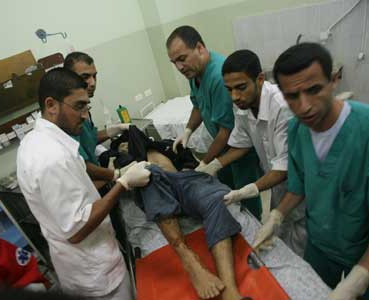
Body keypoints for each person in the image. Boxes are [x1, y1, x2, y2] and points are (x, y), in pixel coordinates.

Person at [252, 42, 369, 299]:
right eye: (292, 96)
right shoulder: (297, 130)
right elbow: (299, 185)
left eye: (314, 90)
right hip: (321, 244)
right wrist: (276, 217)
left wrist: (355, 283)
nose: (304, 106)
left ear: (334, 80)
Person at [16, 68, 151, 299]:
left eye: (86, 106)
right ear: (51, 105)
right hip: (96, 275)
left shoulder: (40, 141)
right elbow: (77, 230)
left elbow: (78, 175)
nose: (85, 115)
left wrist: (114, 175)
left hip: (80, 264)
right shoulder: (51, 158)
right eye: (78, 106)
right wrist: (123, 183)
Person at [198, 49, 306, 256]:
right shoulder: (242, 105)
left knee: (302, 242)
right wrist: (213, 165)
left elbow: (285, 166)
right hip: (277, 184)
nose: (234, 96)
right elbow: (242, 142)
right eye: (228, 89)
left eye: (240, 87)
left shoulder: (282, 108)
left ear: (260, 79)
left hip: (301, 188)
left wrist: (246, 190)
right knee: (281, 236)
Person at [167, 26, 262, 218]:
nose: (179, 67)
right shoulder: (194, 73)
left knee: (245, 199)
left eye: (182, 58)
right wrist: (188, 130)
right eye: (174, 62)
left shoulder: (219, 76)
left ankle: (253, 229)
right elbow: (199, 105)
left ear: (200, 48)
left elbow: (226, 130)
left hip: (238, 149)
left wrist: (204, 163)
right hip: (221, 148)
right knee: (226, 193)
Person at [135, 148, 243, 300]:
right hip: (154, 184)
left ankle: (230, 291)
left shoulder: (168, 146)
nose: (124, 147)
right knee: (149, 172)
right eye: (121, 146)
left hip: (187, 178)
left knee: (214, 201)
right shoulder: (124, 158)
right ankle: (191, 262)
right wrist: (118, 173)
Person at [63, 52, 133, 187]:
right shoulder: (67, 117)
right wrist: (116, 174)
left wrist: (114, 130)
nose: (93, 83)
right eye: (85, 77)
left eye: (94, 76)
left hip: (99, 180)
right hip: (89, 187)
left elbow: (90, 138)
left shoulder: (83, 109)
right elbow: (81, 164)